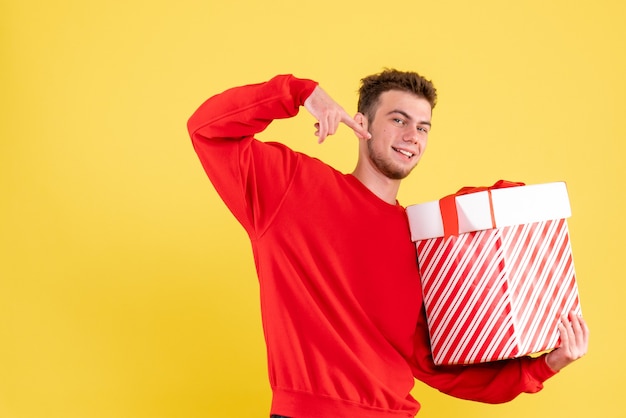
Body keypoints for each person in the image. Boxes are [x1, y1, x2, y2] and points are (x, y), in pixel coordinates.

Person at [186, 70, 589, 418]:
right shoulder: (290, 187)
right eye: (398, 119)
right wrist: (298, 92)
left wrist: (545, 366)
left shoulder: (423, 241)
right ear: (362, 124)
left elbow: (437, 363)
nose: (412, 136)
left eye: (423, 127)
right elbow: (207, 129)